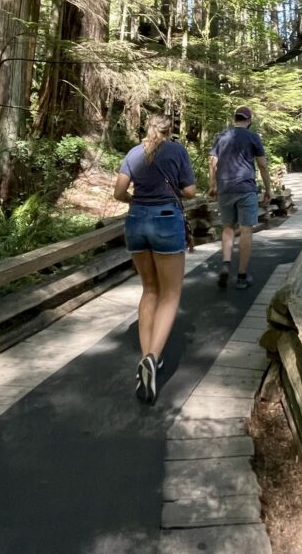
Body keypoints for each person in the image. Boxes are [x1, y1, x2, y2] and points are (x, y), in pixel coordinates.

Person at [114, 114, 196, 404]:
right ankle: (153, 356)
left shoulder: (134, 153)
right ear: (169, 131)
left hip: (135, 220)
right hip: (165, 220)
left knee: (149, 289)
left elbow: (119, 191)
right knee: (171, 293)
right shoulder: (177, 151)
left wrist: (136, 202)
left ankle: (148, 359)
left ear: (147, 128)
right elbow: (189, 191)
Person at [209, 106, 272, 289]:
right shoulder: (253, 137)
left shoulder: (222, 136)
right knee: (246, 230)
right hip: (246, 188)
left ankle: (226, 264)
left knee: (228, 227)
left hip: (225, 188)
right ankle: (242, 276)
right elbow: (262, 165)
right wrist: (268, 189)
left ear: (235, 118)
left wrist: (213, 185)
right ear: (249, 120)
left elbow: (213, 162)